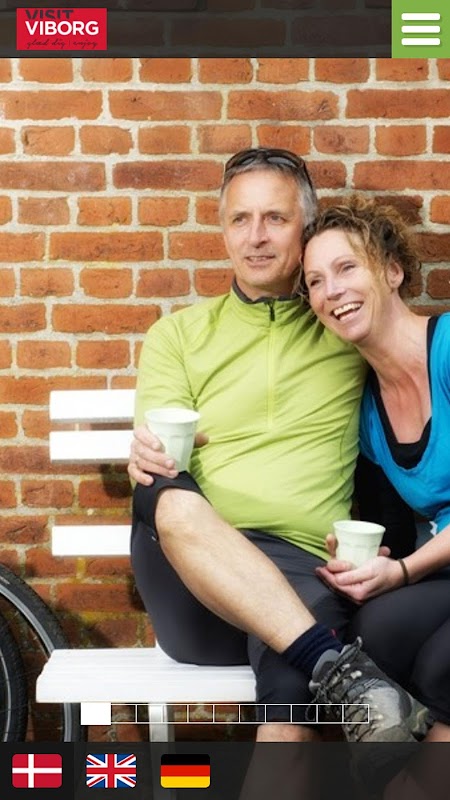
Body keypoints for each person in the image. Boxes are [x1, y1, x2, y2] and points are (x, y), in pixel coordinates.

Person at [128, 148, 428, 747]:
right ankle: (345, 674)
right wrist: (147, 454)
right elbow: (158, 460)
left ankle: (335, 672)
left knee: (293, 696)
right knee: (167, 493)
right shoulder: (178, 336)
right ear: (223, 230)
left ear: (305, 229)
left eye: (276, 218)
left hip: (303, 570)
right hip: (192, 580)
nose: (256, 237)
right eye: (240, 219)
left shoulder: (346, 329)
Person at [301, 194, 450, 743]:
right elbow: (398, 533)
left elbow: (410, 564)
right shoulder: (367, 412)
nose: (332, 290)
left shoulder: (448, 348)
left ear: (392, 271)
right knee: (375, 632)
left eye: (347, 268)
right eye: (316, 281)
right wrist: (371, 561)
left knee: (439, 665)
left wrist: (405, 572)